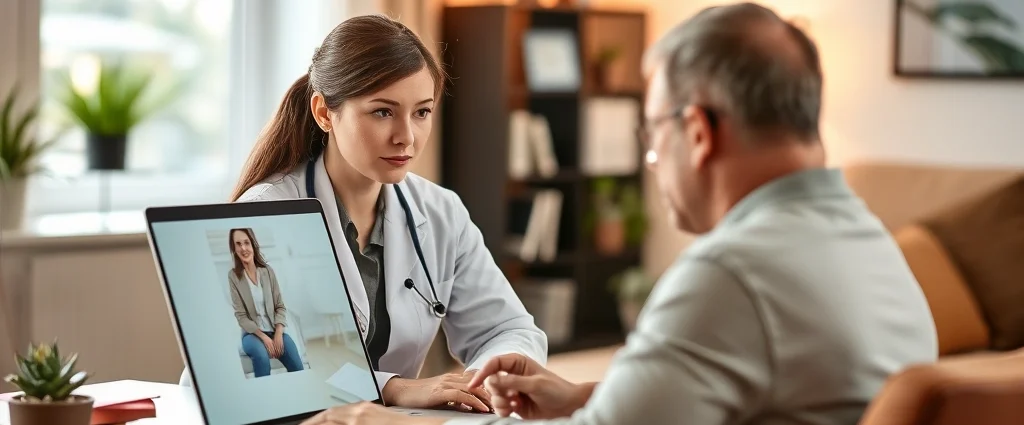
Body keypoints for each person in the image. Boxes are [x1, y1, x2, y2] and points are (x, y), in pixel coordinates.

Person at [302, 3, 939, 424]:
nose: (652, 160)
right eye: (382, 111)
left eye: (652, 132)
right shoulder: (872, 243)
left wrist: (391, 419)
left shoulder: (731, 275)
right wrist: (583, 395)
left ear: (698, 133)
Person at [178, 14, 547, 413]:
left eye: (422, 112)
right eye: (383, 112)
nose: (406, 136)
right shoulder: (263, 213)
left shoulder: (441, 212)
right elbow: (246, 371)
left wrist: (488, 378)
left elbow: (508, 328)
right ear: (324, 113)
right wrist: (391, 388)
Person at [228, 228, 305, 378]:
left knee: (296, 364)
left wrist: (278, 333)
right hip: (252, 335)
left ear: (253, 244)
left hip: (275, 330)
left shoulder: (268, 271)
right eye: (238, 244)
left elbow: (280, 306)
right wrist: (264, 338)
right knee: (261, 356)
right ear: (234, 248)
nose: (243, 248)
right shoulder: (233, 276)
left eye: (246, 243)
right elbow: (241, 316)